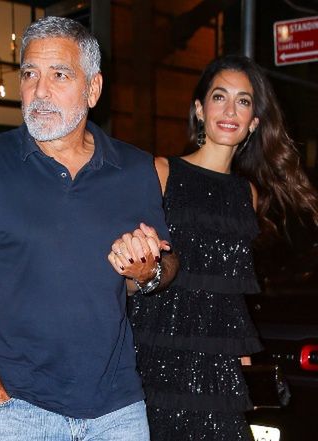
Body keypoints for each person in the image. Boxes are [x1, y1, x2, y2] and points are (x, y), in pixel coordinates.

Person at [0, 16, 178, 440]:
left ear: (93, 89)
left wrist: (147, 271)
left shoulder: (135, 168)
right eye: (29, 74)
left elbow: (164, 264)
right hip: (19, 409)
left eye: (59, 75)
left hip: (119, 409)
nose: (40, 91)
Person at [128, 54, 318, 440]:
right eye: (219, 97)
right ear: (200, 110)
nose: (230, 111)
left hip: (217, 372)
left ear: (254, 122)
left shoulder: (247, 194)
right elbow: (132, 273)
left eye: (243, 101)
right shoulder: (161, 172)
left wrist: (243, 364)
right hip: (156, 358)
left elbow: (231, 295)